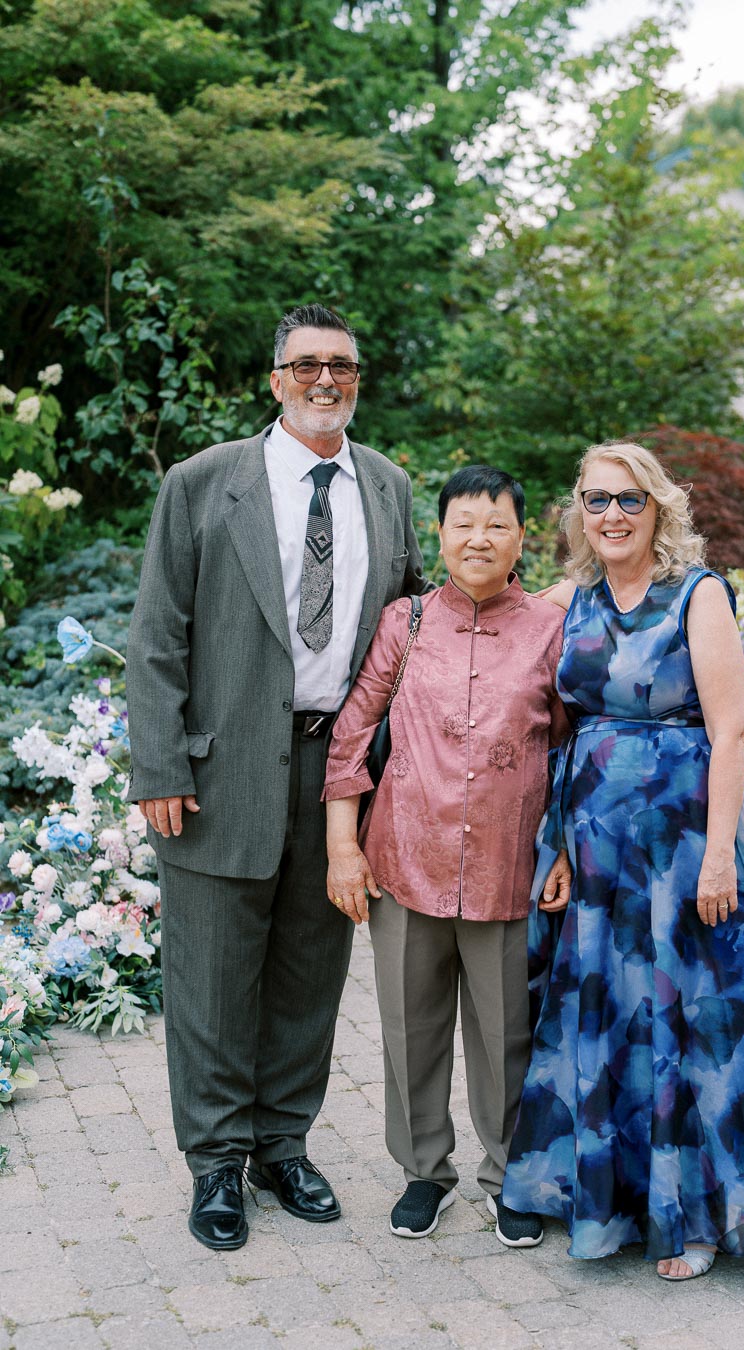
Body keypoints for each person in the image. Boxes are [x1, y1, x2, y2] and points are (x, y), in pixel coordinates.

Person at [126, 303, 430, 1251]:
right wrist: (160, 763)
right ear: (275, 379)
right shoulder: (204, 483)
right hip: (216, 775)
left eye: (341, 364)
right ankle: (217, 1163)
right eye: (306, 365)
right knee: (214, 978)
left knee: (311, 967)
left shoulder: (387, 487)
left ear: (357, 378)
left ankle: (281, 1144)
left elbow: (409, 629)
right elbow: (157, 635)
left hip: (340, 775)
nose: (324, 379)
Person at [501, 442, 744, 1280]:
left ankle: (692, 1219)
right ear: (578, 510)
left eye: (629, 500)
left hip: (687, 844)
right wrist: (561, 846)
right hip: (600, 853)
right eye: (595, 499)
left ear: (659, 509)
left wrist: (720, 856)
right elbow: (563, 724)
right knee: (612, 1018)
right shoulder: (568, 601)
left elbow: (731, 732)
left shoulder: (698, 594)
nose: (611, 515)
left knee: (691, 1020)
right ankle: (614, 1199)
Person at [322, 465, 572, 1248]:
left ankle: (508, 1178)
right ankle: (425, 1172)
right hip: (403, 859)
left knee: (507, 1037)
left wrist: (560, 841)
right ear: (439, 534)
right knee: (409, 1027)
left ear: (521, 538)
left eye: (496, 524)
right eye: (464, 523)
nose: (479, 538)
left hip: (507, 867)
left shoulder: (549, 628)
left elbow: (573, 745)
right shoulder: (409, 622)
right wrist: (342, 848)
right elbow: (352, 735)